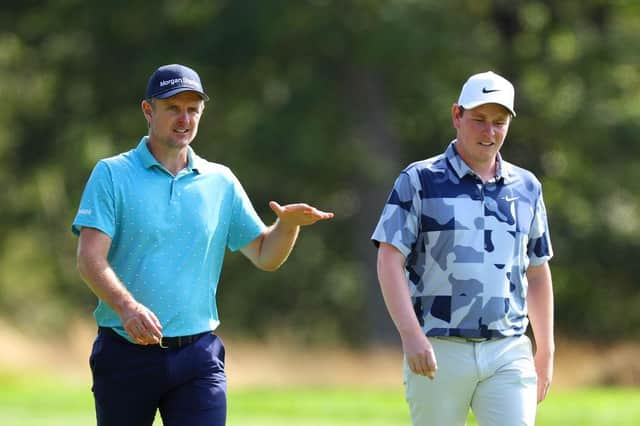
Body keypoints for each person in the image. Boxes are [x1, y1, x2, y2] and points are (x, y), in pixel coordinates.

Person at [72, 63, 334, 426]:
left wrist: (287, 226)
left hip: (197, 356)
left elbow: (264, 255)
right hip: (125, 354)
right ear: (148, 111)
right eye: (173, 108)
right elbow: (89, 259)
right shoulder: (112, 174)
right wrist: (127, 308)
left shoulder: (220, 181)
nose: (184, 119)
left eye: (192, 109)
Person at [371, 71, 554, 426]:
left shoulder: (527, 186)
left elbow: (537, 270)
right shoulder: (419, 180)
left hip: (508, 348)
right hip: (437, 349)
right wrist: (411, 335)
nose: (489, 133)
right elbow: (389, 258)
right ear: (457, 115)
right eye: (479, 120)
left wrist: (545, 349)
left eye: (499, 123)